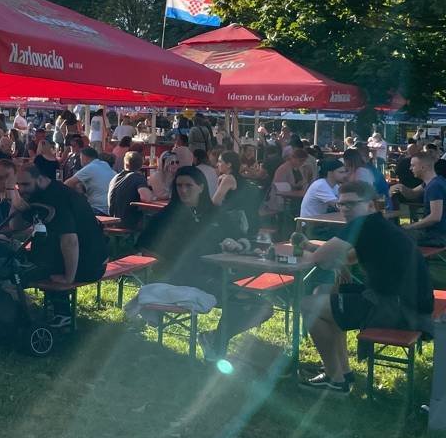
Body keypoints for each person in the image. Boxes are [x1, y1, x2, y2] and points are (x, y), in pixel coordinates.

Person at [297, 181, 435, 392]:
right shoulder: (378, 225)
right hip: (411, 306)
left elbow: (320, 259)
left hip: (400, 311)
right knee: (324, 293)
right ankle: (344, 372)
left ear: (371, 205)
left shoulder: (363, 224)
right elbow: (348, 258)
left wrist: (302, 249)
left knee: (309, 305)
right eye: (341, 205)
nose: (345, 209)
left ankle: (335, 380)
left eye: (351, 204)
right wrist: (313, 248)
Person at [136, 166, 273, 359]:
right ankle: (217, 346)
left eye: (188, 186)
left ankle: (216, 338)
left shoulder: (215, 213)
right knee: (241, 299)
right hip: (180, 277)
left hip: (217, 273)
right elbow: (145, 246)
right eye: (179, 186)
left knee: (262, 307)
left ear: (201, 187)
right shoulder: (166, 216)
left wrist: (237, 245)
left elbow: (241, 238)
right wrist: (161, 266)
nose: (183, 190)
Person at [16, 163, 108, 327]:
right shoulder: (38, 194)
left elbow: (70, 241)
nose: (21, 189)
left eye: (25, 184)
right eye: (18, 185)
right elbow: (14, 226)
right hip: (88, 259)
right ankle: (60, 311)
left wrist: (68, 278)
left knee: (18, 271)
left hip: (89, 264)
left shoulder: (56, 199)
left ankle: (22, 314)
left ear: (40, 179)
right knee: (28, 258)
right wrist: (15, 200)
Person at [400, 154, 446, 246]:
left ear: (423, 167)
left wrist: (410, 226)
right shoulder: (432, 182)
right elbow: (412, 194)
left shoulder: (434, 186)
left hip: (437, 235)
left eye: (413, 165)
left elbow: (435, 217)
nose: (410, 168)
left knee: (395, 235)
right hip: (433, 232)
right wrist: (400, 187)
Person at [107, 151, 150, 230]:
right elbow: (146, 198)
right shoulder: (138, 177)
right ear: (141, 164)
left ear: (125, 164)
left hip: (113, 221)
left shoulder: (115, 177)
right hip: (129, 223)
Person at [66, 147, 114, 215]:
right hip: (111, 209)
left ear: (84, 157)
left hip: (98, 209)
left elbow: (67, 183)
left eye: (80, 158)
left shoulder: (91, 167)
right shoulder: (105, 166)